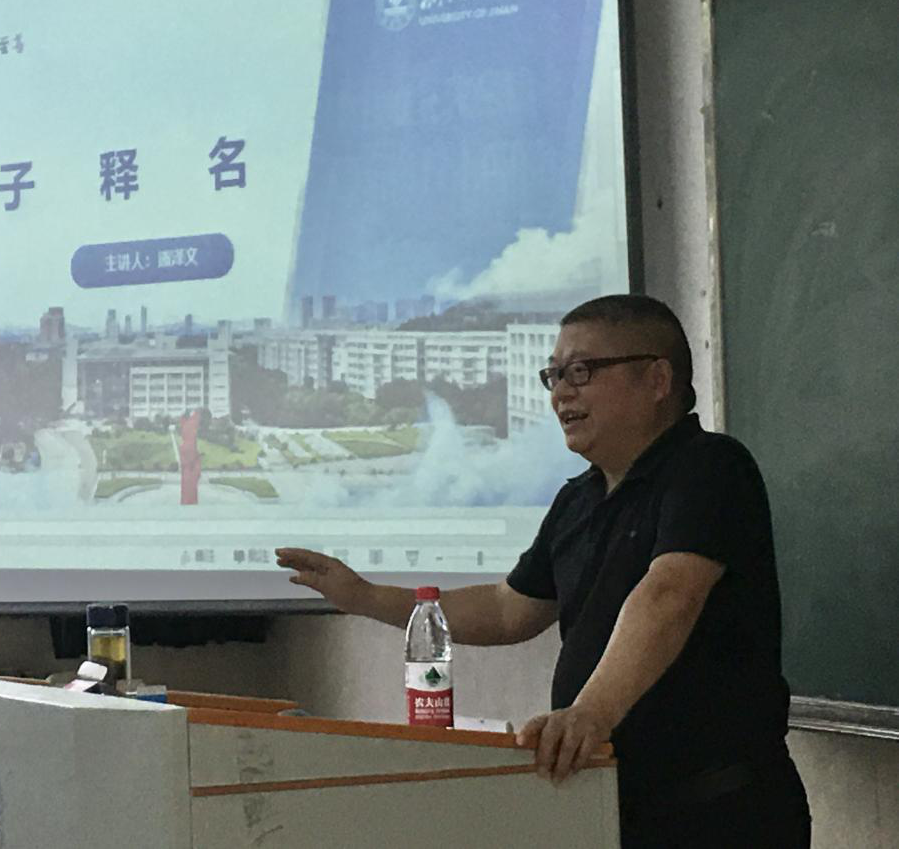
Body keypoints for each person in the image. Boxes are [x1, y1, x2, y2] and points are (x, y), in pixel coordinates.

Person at [277, 294, 810, 848]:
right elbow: (507, 609)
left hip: (719, 812)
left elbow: (669, 594)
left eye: (581, 371)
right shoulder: (577, 500)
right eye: (554, 375)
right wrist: (365, 596)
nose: (561, 393)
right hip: (612, 807)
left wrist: (590, 714)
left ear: (657, 380)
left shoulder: (710, 467)